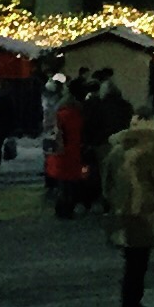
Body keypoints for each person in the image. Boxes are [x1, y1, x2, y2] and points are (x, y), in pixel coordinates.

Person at [106, 108, 154, 307]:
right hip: (145, 211)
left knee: (131, 258)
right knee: (139, 260)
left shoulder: (117, 149)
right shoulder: (152, 149)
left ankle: (129, 300)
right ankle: (132, 302)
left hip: (122, 210)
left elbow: (107, 181)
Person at [44, 78, 88, 218]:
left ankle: (63, 208)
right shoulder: (79, 114)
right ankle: (67, 208)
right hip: (73, 151)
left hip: (61, 152)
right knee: (71, 182)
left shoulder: (61, 114)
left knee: (63, 182)